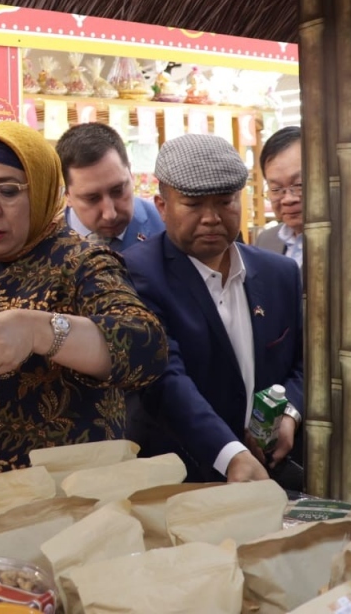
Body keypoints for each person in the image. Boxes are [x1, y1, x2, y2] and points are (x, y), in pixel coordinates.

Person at [0, 121, 169, 480]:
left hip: (50, 506)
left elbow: (145, 347)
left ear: (43, 191)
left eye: (8, 191)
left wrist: (39, 330)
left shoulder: (81, 263)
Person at [123, 134, 304, 485]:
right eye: (192, 205)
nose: (211, 218)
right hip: (180, 481)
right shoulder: (136, 274)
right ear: (162, 206)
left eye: (225, 202)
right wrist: (230, 453)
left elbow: (303, 360)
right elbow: (165, 378)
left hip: (271, 478)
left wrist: (290, 414)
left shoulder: (279, 273)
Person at [56, 123, 165, 251]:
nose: (110, 214)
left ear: (130, 173)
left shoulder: (166, 227)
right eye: (92, 198)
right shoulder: (42, 243)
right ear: (67, 194)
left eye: (118, 191)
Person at [255, 126, 303, 268]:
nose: (288, 199)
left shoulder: (349, 244)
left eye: (299, 185)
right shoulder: (266, 241)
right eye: (276, 189)